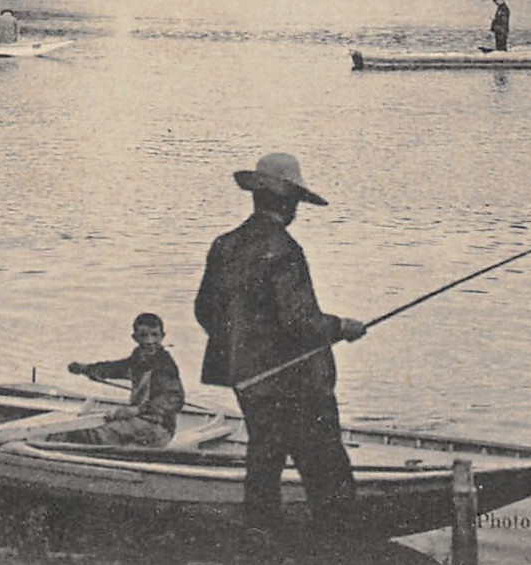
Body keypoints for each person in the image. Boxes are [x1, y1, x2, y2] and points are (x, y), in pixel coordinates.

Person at [194, 153, 366, 535]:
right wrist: (342, 326)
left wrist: (245, 349)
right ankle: (342, 555)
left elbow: (205, 311)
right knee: (328, 477)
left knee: (264, 464)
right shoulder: (285, 251)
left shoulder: (224, 245)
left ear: (257, 197)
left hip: (250, 383)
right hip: (298, 386)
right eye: (296, 204)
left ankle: (261, 546)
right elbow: (300, 324)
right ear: (287, 203)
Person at [61, 312, 184, 448]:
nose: (150, 341)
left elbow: (174, 399)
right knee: (84, 432)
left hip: (158, 428)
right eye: (144, 335)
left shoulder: (164, 365)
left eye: (155, 335)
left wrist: (137, 410)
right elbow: (115, 368)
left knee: (89, 436)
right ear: (135, 338)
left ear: (162, 336)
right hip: (141, 420)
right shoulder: (138, 359)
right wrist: (86, 369)